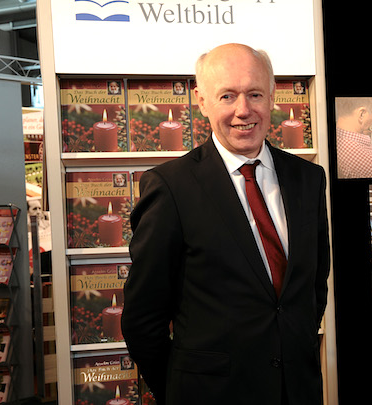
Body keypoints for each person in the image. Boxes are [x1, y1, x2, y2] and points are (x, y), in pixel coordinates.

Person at [121, 43, 331, 405]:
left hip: (298, 391)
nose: (243, 110)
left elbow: (313, 288)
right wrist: (178, 391)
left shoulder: (308, 179)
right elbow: (143, 319)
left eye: (255, 94)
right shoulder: (171, 187)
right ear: (202, 102)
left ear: (272, 96)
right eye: (227, 96)